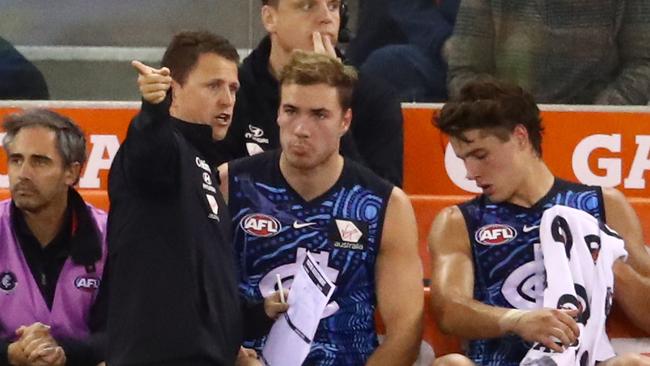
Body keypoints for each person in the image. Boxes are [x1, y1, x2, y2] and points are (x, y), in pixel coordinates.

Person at [219, 50, 423, 365]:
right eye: (291, 110)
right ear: (277, 113)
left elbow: (405, 332)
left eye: (319, 114)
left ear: (345, 121)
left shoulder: (384, 205)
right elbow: (197, 302)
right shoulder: (230, 185)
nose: (301, 128)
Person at [428, 80, 650, 365]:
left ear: (520, 136)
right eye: (464, 159)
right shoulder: (460, 221)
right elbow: (448, 309)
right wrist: (517, 321)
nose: (471, 173)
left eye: (480, 155)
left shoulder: (603, 205)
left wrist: (606, 262)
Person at [106, 31, 265, 366]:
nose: (227, 100)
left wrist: (252, 318)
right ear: (173, 89)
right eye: (213, 86)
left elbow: (197, 287)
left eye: (233, 88)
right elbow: (148, 151)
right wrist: (152, 111)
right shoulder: (164, 150)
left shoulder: (202, 163)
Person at [216, 0, 404, 187]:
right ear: (270, 18)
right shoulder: (232, 92)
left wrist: (332, 99)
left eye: (333, 7)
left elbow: (382, 202)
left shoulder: (375, 98)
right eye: (307, 6)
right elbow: (209, 189)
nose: (326, 18)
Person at [0, 109, 106, 366]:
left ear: (71, 172)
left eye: (39, 161)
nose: (23, 173)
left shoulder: (109, 235)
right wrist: (11, 352)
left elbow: (125, 330)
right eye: (16, 160)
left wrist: (62, 352)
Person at [447, 0, 650, 105]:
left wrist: (595, 114)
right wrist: (507, 119)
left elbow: (643, 64)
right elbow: (464, 73)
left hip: (600, 129)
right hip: (507, 128)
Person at [346, 0, 460, 102]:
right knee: (385, 65)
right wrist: (443, 42)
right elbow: (410, 9)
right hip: (439, 52)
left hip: (472, 49)